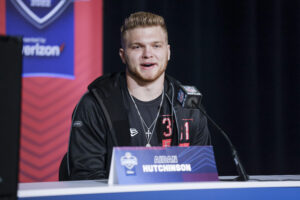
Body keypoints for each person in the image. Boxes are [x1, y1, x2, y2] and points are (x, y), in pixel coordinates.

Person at [66, 11, 210, 180]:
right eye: (137, 47)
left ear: (168, 52)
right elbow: (86, 181)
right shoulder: (96, 105)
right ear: (123, 55)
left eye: (156, 45)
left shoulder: (188, 106)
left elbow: (201, 179)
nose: (148, 54)